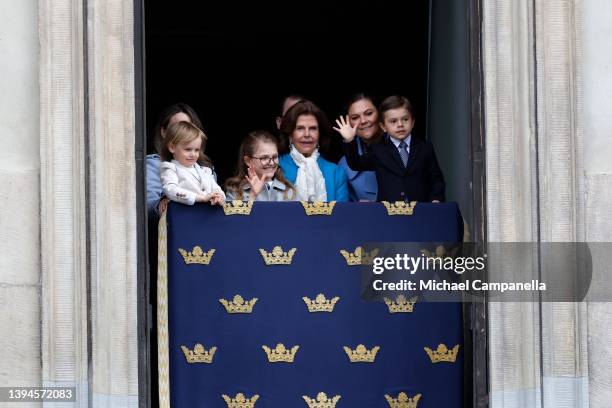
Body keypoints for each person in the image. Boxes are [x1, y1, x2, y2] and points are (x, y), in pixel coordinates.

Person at [335, 95, 445, 202]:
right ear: (383, 125)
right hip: (387, 214)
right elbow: (356, 163)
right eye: (393, 121)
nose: (400, 125)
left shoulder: (425, 147)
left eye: (405, 119)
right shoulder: (378, 150)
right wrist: (349, 140)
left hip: (421, 211)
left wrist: (436, 199)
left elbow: (437, 179)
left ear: (413, 122)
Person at [147, 103, 214, 218]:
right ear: (163, 132)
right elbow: (147, 206)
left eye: (188, 127)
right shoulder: (155, 164)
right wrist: (163, 203)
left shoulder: (205, 169)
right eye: (177, 127)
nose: (185, 133)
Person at [278, 100, 349, 202]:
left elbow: (343, 215)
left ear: (320, 134)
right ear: (290, 134)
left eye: (313, 128)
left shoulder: (336, 172)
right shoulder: (275, 168)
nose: (307, 134)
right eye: (300, 128)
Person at [159, 121, 225, 206]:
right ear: (172, 147)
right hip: (183, 215)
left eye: (197, 150)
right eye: (188, 149)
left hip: (206, 215)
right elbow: (171, 190)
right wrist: (200, 198)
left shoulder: (205, 171)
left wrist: (219, 197)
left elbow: (217, 189)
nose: (193, 154)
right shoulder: (170, 168)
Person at [225, 130, 296, 201]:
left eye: (275, 157)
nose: (271, 163)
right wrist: (253, 195)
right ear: (248, 161)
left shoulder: (290, 192)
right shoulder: (235, 192)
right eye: (264, 158)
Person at [337, 93, 383, 201]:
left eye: (369, 113)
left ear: (380, 114)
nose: (363, 121)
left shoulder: (402, 150)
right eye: (355, 117)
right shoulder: (345, 164)